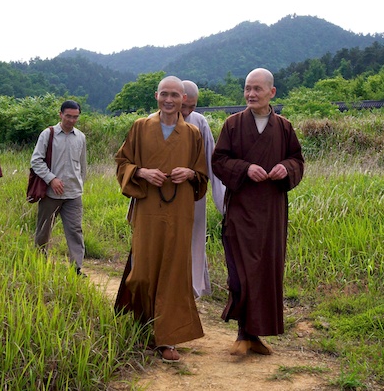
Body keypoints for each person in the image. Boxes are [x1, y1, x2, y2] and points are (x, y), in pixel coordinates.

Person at [114, 76, 209, 362]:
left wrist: (190, 174)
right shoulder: (141, 127)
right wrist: (142, 173)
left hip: (179, 210)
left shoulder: (193, 133)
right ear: (156, 96)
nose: (169, 100)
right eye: (164, 95)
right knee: (142, 272)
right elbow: (122, 163)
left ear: (184, 99)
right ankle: (143, 327)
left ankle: (166, 338)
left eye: (175, 96)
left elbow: (202, 174)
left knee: (173, 272)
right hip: (148, 207)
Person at [212, 68, 305, 356]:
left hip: (271, 212)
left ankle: (255, 334)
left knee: (265, 272)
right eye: (247, 88)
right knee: (240, 272)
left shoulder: (285, 127)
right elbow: (219, 161)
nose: (251, 94)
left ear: (271, 93)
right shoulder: (233, 124)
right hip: (241, 208)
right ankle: (242, 333)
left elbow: (297, 161)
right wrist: (244, 168)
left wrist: (285, 168)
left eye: (257, 89)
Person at [30, 100, 88, 275]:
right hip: (50, 193)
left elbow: (83, 165)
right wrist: (51, 179)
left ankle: (76, 267)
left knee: (75, 230)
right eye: (68, 116)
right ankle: (39, 263)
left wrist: (81, 183)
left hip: (73, 193)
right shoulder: (48, 134)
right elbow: (36, 160)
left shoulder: (81, 137)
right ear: (60, 114)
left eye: (75, 117)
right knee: (43, 230)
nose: (71, 120)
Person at [179, 80, 225, 297]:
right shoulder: (151, 122)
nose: (187, 112)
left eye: (192, 107)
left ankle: (193, 287)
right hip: (162, 193)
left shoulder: (199, 122)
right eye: (183, 107)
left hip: (193, 191)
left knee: (195, 238)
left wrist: (222, 201)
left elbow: (211, 161)